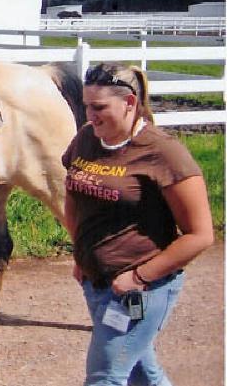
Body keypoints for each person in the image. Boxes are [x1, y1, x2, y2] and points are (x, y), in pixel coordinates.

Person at [62, 62, 213, 386]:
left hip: (138, 292)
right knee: (142, 373)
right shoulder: (87, 138)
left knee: (105, 377)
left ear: (129, 103)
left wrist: (139, 277)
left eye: (99, 107)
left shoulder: (165, 153)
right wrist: (80, 254)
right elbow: (73, 194)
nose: (90, 115)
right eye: (87, 106)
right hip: (96, 282)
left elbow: (200, 235)